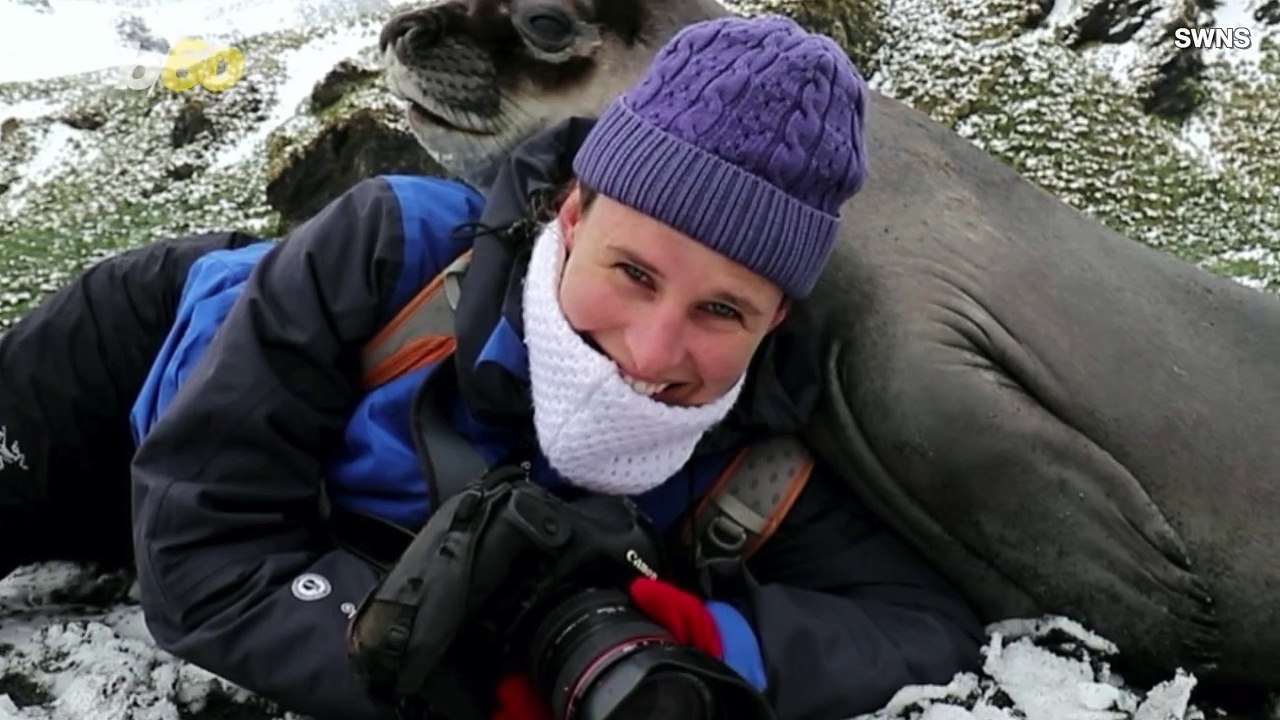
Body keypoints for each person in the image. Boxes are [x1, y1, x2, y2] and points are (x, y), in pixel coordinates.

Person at [4, 14, 983, 720]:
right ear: (571, 216)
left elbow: (920, 623)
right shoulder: (387, 249)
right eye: (633, 273)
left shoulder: (751, 439)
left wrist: (710, 639)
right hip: (130, 372)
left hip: (271, 526)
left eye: (721, 310)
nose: (649, 354)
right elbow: (205, 564)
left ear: (776, 320)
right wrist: (458, 671)